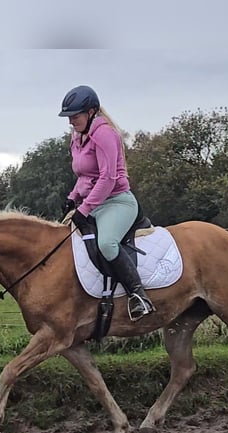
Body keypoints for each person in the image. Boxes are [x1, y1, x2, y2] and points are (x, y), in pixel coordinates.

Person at [59, 84, 155, 321]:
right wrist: (72, 198)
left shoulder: (104, 134)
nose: (71, 121)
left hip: (117, 202)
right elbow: (85, 177)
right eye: (69, 117)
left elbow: (107, 178)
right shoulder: (77, 137)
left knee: (107, 244)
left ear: (91, 112)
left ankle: (138, 295)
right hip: (93, 202)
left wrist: (85, 207)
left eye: (75, 116)